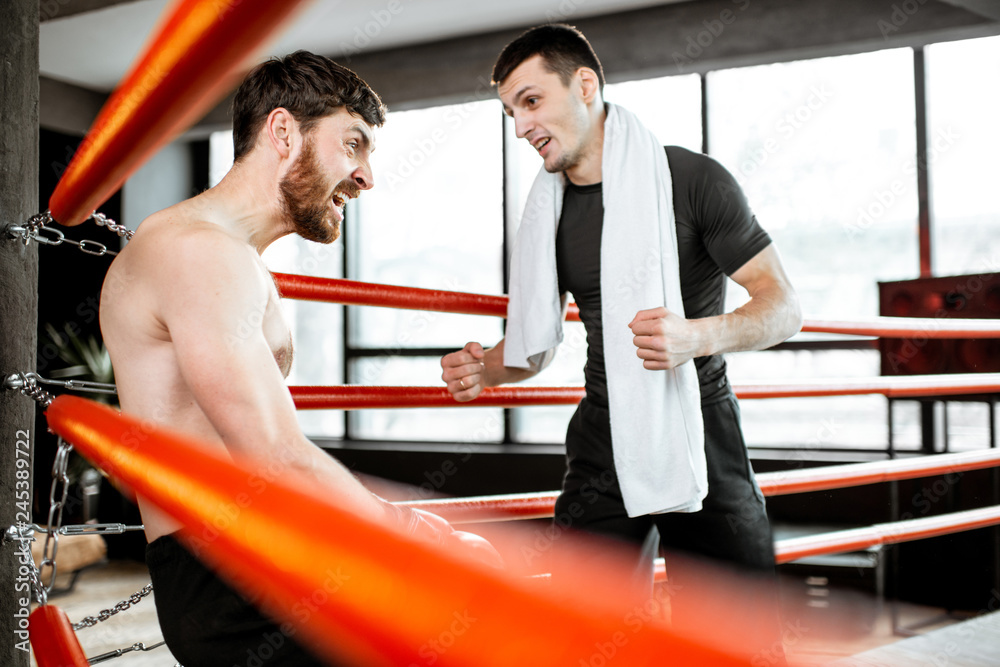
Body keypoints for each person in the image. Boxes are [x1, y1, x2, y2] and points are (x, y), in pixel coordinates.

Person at [101, 50, 499, 667]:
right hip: (231, 575)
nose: (367, 176)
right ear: (284, 132)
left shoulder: (229, 257)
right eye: (354, 144)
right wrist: (420, 535)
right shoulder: (199, 252)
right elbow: (275, 457)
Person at [441, 24, 801, 662]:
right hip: (601, 437)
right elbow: (534, 347)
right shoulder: (547, 210)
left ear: (584, 86)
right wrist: (486, 368)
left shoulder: (692, 180)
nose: (520, 127)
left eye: (530, 102)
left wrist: (696, 336)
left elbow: (783, 308)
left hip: (701, 433)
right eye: (509, 112)